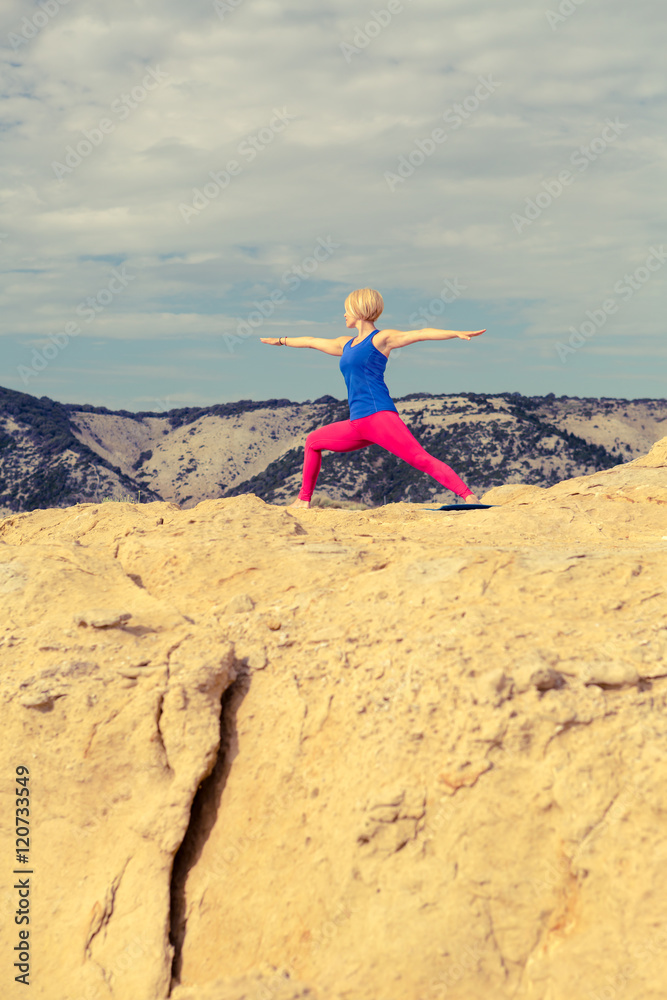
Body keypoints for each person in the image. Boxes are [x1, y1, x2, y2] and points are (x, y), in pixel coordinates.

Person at [260, 287, 485, 508]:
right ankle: (303, 501)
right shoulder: (345, 344)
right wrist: (281, 340)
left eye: (347, 309)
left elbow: (418, 334)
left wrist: (455, 333)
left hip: (379, 417)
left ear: (358, 309)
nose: (344, 314)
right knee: (313, 442)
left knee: (419, 458)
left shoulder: (381, 339)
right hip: (357, 423)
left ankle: (469, 496)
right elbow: (311, 341)